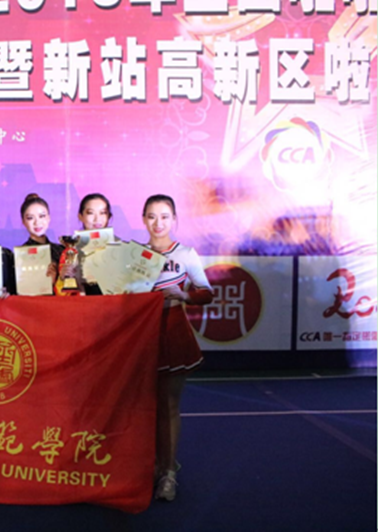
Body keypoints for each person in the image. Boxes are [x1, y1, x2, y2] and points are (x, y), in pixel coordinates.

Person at [142, 194, 212, 502]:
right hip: (139, 336)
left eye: (164, 216)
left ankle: (169, 472)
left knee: (169, 405)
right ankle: (150, 466)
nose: (158, 223)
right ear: (143, 219)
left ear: (174, 219)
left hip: (172, 332)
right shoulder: (134, 254)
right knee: (142, 407)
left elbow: (206, 292)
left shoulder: (185, 253)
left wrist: (183, 296)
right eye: (152, 216)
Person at [56, 193, 112, 296]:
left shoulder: (119, 248)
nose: (97, 219)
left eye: (103, 213)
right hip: (84, 302)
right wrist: (64, 277)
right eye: (90, 213)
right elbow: (61, 295)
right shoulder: (71, 250)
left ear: (109, 216)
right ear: (80, 216)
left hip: (111, 302)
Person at [19, 193, 64, 289]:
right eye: (30, 218)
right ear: (23, 221)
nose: (37, 222)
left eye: (42, 216)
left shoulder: (61, 251)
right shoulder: (20, 255)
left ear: (49, 218)